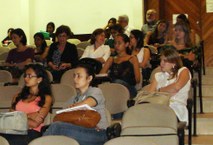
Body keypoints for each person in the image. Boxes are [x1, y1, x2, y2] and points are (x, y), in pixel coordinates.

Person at [44, 63, 108, 145]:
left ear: (89, 78)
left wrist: (72, 108)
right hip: (78, 130)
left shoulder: (95, 91)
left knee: (57, 127)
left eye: (79, 76)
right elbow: (60, 117)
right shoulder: (73, 98)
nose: (75, 79)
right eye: (74, 76)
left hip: (97, 133)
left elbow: (88, 103)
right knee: (55, 128)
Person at [0, 64, 53, 145]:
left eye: (30, 76)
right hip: (12, 130)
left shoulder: (46, 98)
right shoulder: (18, 96)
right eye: (25, 75)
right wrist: (29, 115)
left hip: (32, 132)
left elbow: (35, 124)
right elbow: (9, 119)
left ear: (39, 79)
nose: (25, 78)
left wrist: (18, 116)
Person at [148, 48, 191, 123]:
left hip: (176, 109)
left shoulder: (183, 71)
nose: (161, 63)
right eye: (161, 60)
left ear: (174, 63)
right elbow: (150, 95)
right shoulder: (158, 76)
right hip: (158, 107)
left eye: (165, 61)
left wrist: (159, 91)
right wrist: (168, 91)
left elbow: (176, 87)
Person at [100, 33, 140, 98]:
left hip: (128, 89)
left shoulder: (132, 58)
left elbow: (138, 80)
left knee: (117, 82)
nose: (116, 46)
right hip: (113, 87)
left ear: (126, 44)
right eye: (115, 43)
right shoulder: (111, 59)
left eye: (119, 43)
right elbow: (101, 76)